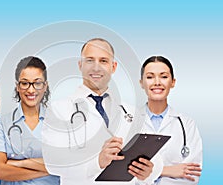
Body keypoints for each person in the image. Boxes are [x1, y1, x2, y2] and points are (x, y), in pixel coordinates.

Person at [42, 38, 163, 185]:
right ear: (80, 65)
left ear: (113, 67)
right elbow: (53, 163)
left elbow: (156, 159)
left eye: (103, 61)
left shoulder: (131, 112)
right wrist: (97, 163)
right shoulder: (59, 109)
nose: (96, 68)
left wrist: (149, 172)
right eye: (90, 60)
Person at [0, 56, 60, 185]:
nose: (31, 90)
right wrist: (48, 169)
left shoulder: (59, 122)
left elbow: (65, 164)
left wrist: (21, 163)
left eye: (37, 83)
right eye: (25, 83)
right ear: (17, 86)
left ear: (45, 86)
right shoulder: (1, 125)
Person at [138, 56, 202, 184]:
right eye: (150, 77)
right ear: (141, 83)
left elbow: (192, 176)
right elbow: (123, 176)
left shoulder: (187, 124)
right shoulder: (128, 122)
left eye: (164, 76)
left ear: (173, 82)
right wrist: (166, 170)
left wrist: (148, 173)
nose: (157, 82)